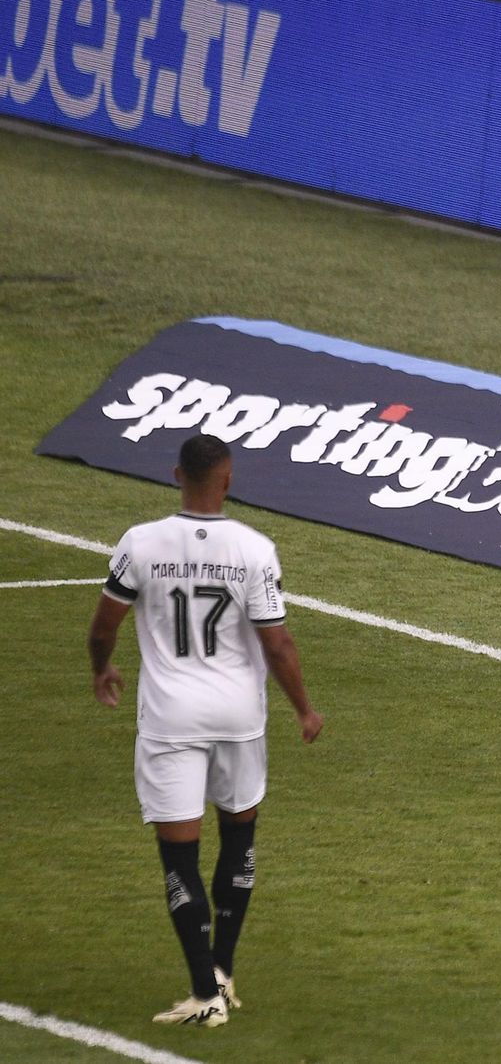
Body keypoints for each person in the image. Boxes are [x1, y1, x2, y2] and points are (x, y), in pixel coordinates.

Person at [88, 434, 323, 1028]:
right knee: (239, 839)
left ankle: (204, 994)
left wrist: (101, 669)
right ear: (228, 480)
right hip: (239, 715)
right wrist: (303, 709)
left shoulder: (139, 544)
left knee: (178, 856)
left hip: (170, 717)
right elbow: (278, 641)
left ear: (175, 475)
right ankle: (222, 969)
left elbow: (104, 625)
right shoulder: (254, 548)